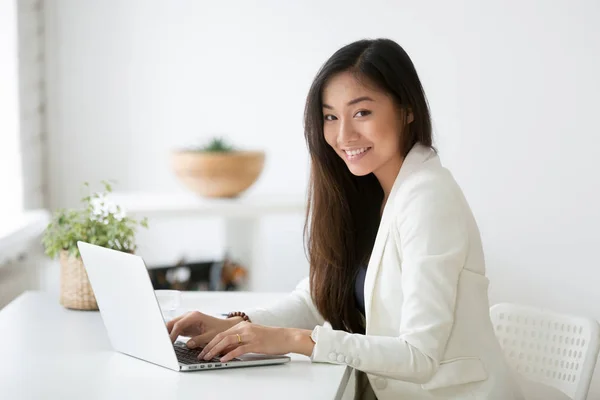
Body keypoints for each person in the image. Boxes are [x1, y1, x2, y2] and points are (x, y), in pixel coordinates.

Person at [167, 38, 524, 400]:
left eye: (362, 113)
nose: (343, 136)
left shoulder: (428, 197)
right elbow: (317, 299)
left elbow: (421, 356)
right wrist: (240, 323)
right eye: (330, 116)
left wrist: (293, 340)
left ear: (407, 109)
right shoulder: (370, 192)